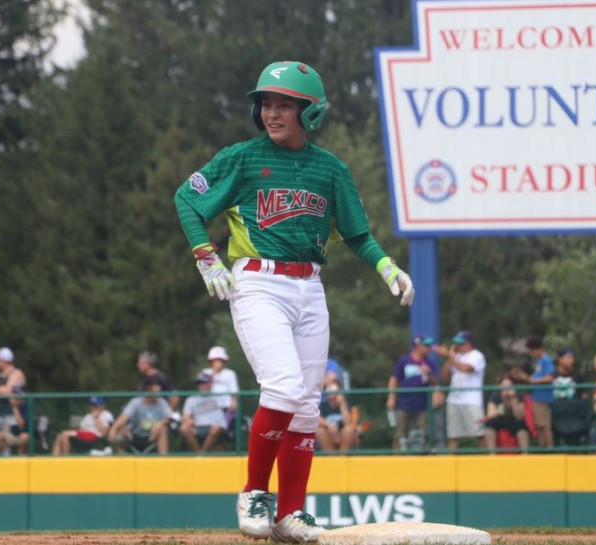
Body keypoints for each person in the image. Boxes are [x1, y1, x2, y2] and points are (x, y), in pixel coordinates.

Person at [174, 60, 415, 542]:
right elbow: (188, 199)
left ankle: (291, 513)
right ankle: (253, 493)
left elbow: (358, 234)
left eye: (285, 104)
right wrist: (206, 257)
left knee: (306, 406)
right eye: (265, 103)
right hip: (258, 283)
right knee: (282, 388)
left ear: (311, 113)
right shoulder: (242, 158)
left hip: (310, 287)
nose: (271, 112)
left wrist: (387, 266)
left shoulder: (330, 169)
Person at [387, 336, 437, 451]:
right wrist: (391, 397)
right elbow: (394, 379)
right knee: (400, 434)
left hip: (422, 404)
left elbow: (435, 384)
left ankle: (422, 457)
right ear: (418, 346)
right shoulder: (404, 360)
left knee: (423, 432)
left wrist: (429, 374)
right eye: (426, 345)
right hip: (404, 403)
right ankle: (397, 457)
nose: (429, 348)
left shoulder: (430, 362)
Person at [442, 330, 485, 450]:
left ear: (469, 344)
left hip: (472, 401)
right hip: (454, 401)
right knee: (453, 436)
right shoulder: (456, 357)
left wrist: (450, 357)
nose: (458, 346)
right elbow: (444, 376)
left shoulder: (477, 355)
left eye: (461, 343)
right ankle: (450, 464)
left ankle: (487, 461)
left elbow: (466, 368)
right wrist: (450, 358)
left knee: (479, 434)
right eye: (456, 343)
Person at [510, 336, 555, 448]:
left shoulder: (546, 360)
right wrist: (524, 377)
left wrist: (532, 380)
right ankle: (542, 447)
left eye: (532, 350)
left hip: (543, 397)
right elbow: (535, 378)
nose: (531, 353)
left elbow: (550, 378)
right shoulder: (539, 362)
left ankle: (549, 450)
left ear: (538, 349)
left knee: (545, 425)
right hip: (536, 396)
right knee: (539, 425)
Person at [108, 378, 173, 455]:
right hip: (134, 435)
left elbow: (170, 417)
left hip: (152, 436)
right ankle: (124, 462)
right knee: (119, 435)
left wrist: (161, 423)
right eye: (155, 392)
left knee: (163, 429)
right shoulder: (136, 402)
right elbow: (123, 418)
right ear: (148, 391)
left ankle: (163, 461)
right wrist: (114, 429)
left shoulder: (162, 402)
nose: (158, 394)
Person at [0, 347, 28, 455]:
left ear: (3, 361)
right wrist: (1, 390)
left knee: (20, 438)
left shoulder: (17, 373)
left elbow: (9, 391)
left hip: (13, 416)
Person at [181, 372, 229, 453]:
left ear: (210, 384)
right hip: (198, 427)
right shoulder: (191, 399)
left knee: (216, 428)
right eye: (200, 384)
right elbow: (185, 417)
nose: (202, 386)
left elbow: (228, 411)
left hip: (215, 426)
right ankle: (199, 453)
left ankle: (202, 454)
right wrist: (189, 421)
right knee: (183, 429)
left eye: (204, 383)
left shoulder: (219, 396)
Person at [481, 377, 530, 452]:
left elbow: (519, 416)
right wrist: (501, 406)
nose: (506, 388)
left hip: (514, 420)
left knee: (522, 428)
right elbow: (490, 413)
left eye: (509, 385)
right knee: (489, 425)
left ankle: (525, 454)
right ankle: (491, 454)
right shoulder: (495, 395)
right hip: (499, 420)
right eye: (504, 385)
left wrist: (513, 400)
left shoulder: (518, 395)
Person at [316, 382, 358, 453]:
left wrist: (342, 404)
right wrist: (329, 426)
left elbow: (348, 423)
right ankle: (331, 458)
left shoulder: (346, 404)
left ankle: (341, 458)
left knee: (349, 430)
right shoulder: (323, 405)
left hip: (342, 434)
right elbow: (317, 418)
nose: (332, 393)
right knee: (319, 431)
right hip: (329, 434)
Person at [204, 345, 240, 426]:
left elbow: (234, 391)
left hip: (226, 407)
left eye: (220, 360)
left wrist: (234, 402)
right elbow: (204, 390)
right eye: (215, 360)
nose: (218, 363)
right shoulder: (206, 373)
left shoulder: (230, 374)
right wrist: (213, 374)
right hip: (209, 407)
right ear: (211, 361)